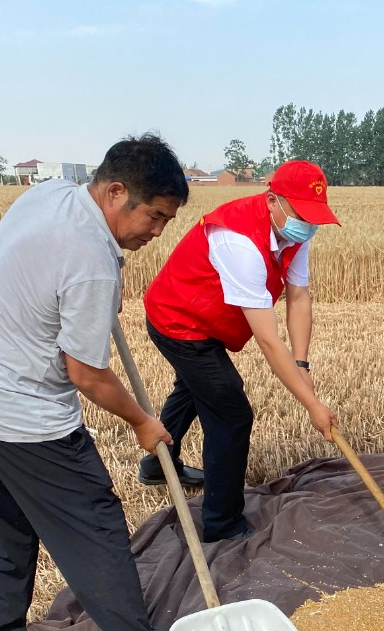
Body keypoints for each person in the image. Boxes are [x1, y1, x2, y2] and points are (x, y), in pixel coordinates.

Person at [0, 134, 188, 631]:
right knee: (92, 521)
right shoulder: (93, 261)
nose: (158, 233)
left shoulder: (50, 194)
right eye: (156, 217)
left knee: (2, 518)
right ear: (117, 193)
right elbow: (88, 375)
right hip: (22, 414)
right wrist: (143, 420)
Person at [141, 159, 339, 543]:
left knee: (195, 389)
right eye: (302, 214)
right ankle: (222, 523)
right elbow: (267, 339)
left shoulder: (296, 231)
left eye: (315, 217)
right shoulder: (238, 239)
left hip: (210, 319)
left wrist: (302, 363)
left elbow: (298, 297)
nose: (308, 225)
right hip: (178, 320)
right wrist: (312, 404)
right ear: (272, 201)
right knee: (230, 411)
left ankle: (156, 465)